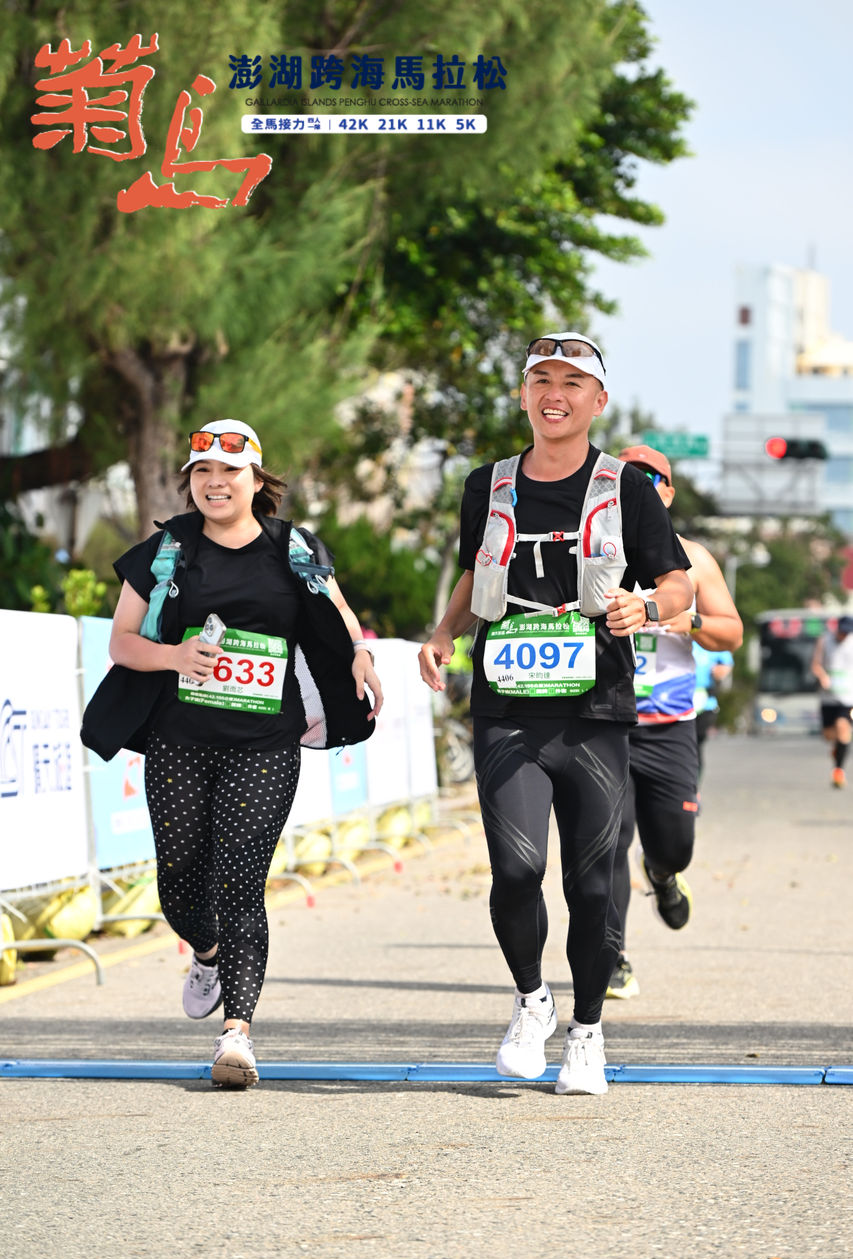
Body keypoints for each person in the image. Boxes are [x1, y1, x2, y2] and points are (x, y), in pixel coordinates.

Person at [418, 333, 693, 1095]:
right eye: (541, 378)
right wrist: (443, 634)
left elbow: (676, 583)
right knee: (515, 870)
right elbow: (475, 574)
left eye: (572, 382)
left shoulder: (625, 487)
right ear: (523, 394)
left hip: (594, 712)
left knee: (591, 885)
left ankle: (587, 1032)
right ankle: (530, 1000)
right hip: (506, 706)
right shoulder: (487, 484)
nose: (555, 393)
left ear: (596, 401)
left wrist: (645, 605)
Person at [82, 420, 383, 1088]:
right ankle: (207, 951)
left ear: (256, 480)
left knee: (241, 882)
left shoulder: (294, 547)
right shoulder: (167, 549)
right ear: (190, 482)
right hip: (179, 740)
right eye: (202, 472)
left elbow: (339, 614)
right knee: (179, 880)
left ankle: (237, 1036)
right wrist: (174, 656)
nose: (215, 483)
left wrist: (361, 654)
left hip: (265, 744)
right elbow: (122, 641)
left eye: (229, 471)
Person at [605, 445, 742, 1002]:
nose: (639, 487)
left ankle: (662, 874)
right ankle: (611, 956)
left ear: (668, 493)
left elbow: (732, 633)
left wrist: (692, 620)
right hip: (604, 722)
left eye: (651, 480)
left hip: (669, 726)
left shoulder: (693, 558)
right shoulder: (591, 552)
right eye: (627, 478)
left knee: (674, 845)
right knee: (606, 843)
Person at [811, 615, 853, 788]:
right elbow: (815, 664)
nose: (844, 635)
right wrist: (822, 676)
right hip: (828, 697)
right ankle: (838, 748)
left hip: (848, 697)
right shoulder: (824, 640)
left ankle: (838, 771)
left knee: (843, 728)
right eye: (842, 632)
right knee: (828, 735)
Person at [693, 642, 734, 779]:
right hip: (677, 700)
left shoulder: (711, 640)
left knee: (695, 744)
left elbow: (727, 663)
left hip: (705, 702)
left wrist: (721, 671)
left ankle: (694, 785)